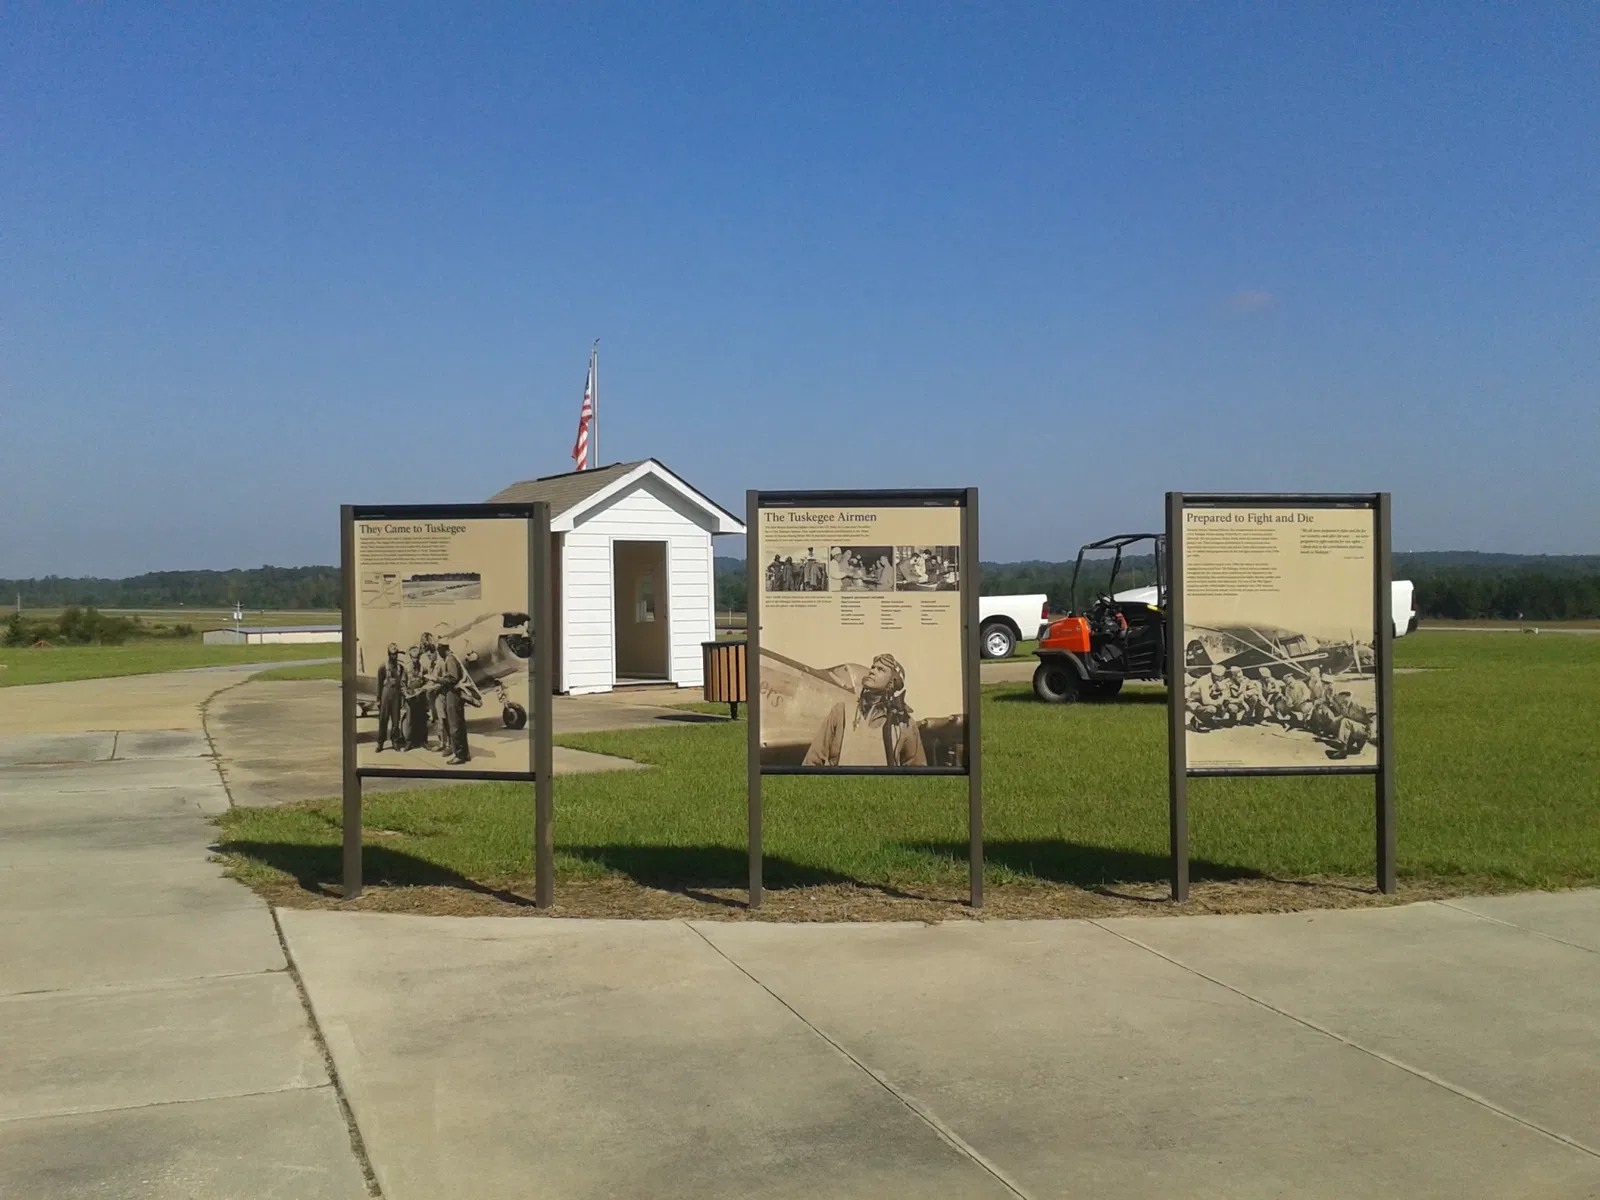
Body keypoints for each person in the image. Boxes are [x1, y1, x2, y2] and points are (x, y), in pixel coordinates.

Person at [802, 653, 927, 767]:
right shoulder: (841, 711)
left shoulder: (904, 723)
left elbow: (917, 772)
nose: (872, 671)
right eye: (873, 667)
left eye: (880, 669)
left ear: (892, 681)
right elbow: (811, 762)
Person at [430, 637, 471, 765]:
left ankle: (459, 755)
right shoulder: (452, 658)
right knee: (459, 724)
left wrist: (437, 680)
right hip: (455, 694)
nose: (438, 652)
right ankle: (465, 753)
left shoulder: (450, 659)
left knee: (455, 726)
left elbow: (453, 678)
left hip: (453, 694)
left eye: (438, 649)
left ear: (442, 648)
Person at [375, 643, 406, 752]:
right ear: (389, 654)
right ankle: (380, 742)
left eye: (396, 654)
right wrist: (378, 699)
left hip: (396, 695)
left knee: (396, 720)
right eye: (392, 654)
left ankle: (395, 741)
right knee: (383, 720)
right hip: (385, 695)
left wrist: (402, 698)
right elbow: (379, 684)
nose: (395, 656)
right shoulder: (383, 667)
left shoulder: (400, 667)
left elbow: (402, 683)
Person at [402, 645, 430, 749]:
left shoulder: (424, 669)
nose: (416, 660)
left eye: (417, 657)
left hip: (421, 698)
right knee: (410, 721)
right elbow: (403, 684)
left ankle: (424, 742)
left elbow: (428, 682)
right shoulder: (406, 668)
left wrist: (423, 689)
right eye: (414, 658)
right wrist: (406, 694)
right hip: (410, 698)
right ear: (410, 657)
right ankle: (409, 742)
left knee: (422, 720)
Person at [1188, 664, 1229, 730]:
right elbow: (1206, 701)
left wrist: (1222, 693)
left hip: (1202, 701)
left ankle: (1208, 720)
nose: (1223, 677)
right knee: (1212, 709)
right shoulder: (1204, 680)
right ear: (1215, 676)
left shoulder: (1214, 680)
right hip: (1195, 703)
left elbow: (1226, 695)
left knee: (1225, 701)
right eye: (1221, 676)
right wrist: (1218, 703)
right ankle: (1197, 719)